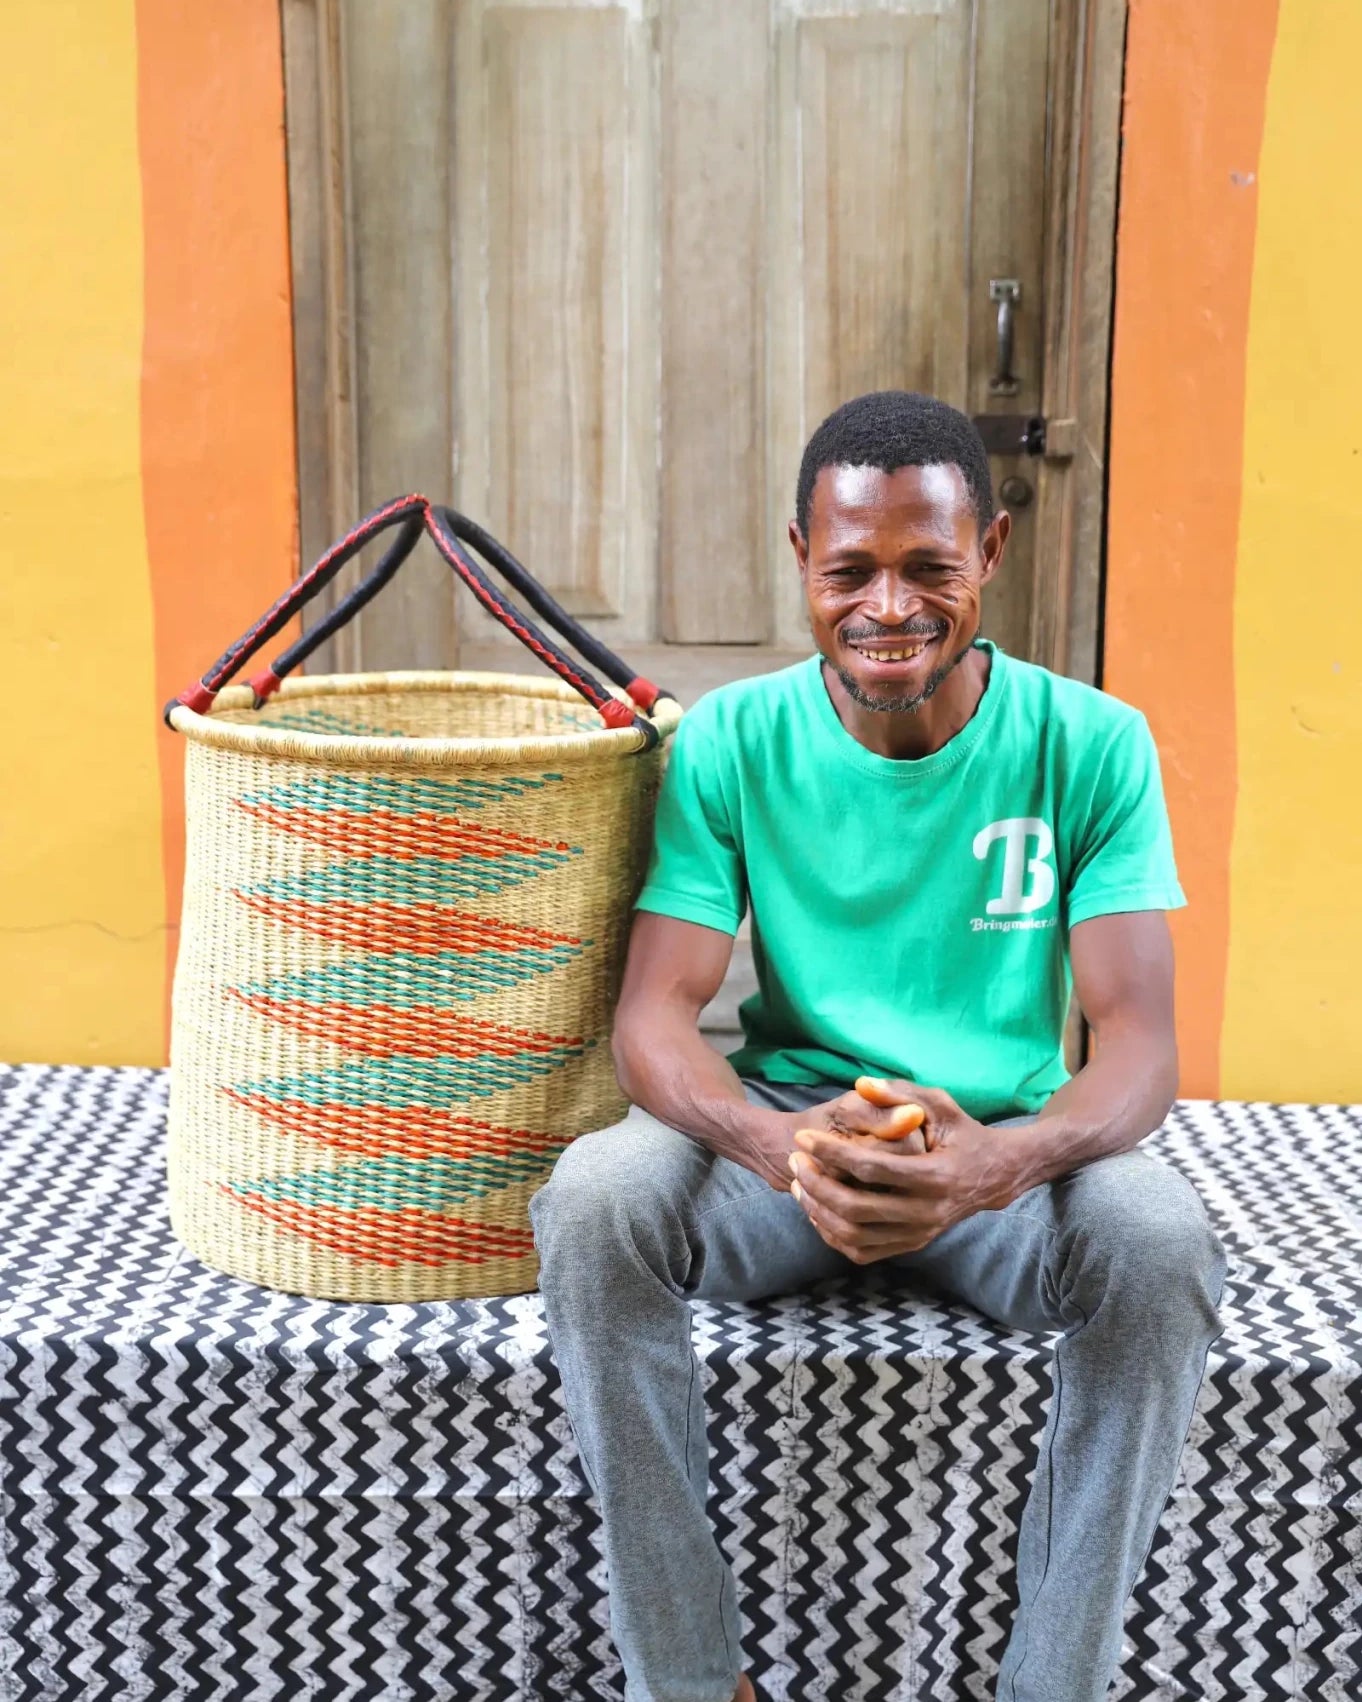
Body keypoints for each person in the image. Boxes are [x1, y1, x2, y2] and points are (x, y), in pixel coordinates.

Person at [528, 390, 1227, 1702]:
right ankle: (687, 1679)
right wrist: (771, 1140)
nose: (887, 606)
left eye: (928, 566)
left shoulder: (1087, 742)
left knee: (1159, 1233)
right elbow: (654, 1014)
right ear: (799, 555)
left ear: (993, 553)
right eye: (849, 568)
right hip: (793, 1142)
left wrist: (995, 1164)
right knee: (596, 1196)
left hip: (1001, 1160)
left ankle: (1048, 1680)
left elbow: (1137, 1045)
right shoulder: (732, 737)